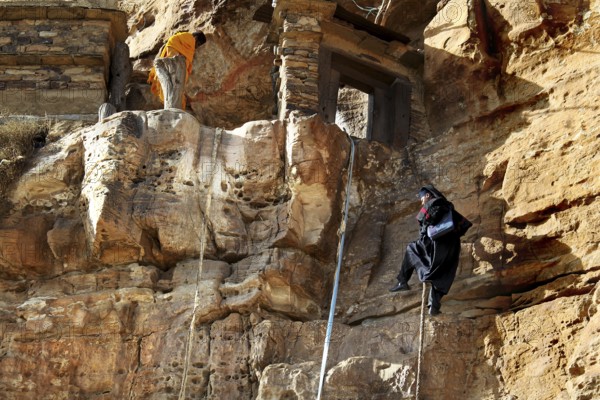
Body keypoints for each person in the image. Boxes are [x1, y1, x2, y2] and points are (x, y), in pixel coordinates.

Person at [389, 185, 463, 315]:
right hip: (451, 249)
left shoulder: (433, 203)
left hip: (437, 246)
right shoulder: (448, 207)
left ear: (428, 195)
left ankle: (402, 281)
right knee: (441, 274)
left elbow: (426, 226)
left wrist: (423, 235)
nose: (421, 201)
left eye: (422, 197)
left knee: (411, 248)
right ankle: (434, 307)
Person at [147, 31, 206, 109]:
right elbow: (175, 43)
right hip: (173, 50)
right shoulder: (189, 38)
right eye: (198, 44)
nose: (196, 47)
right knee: (174, 75)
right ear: (196, 38)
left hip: (173, 49)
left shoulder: (184, 38)